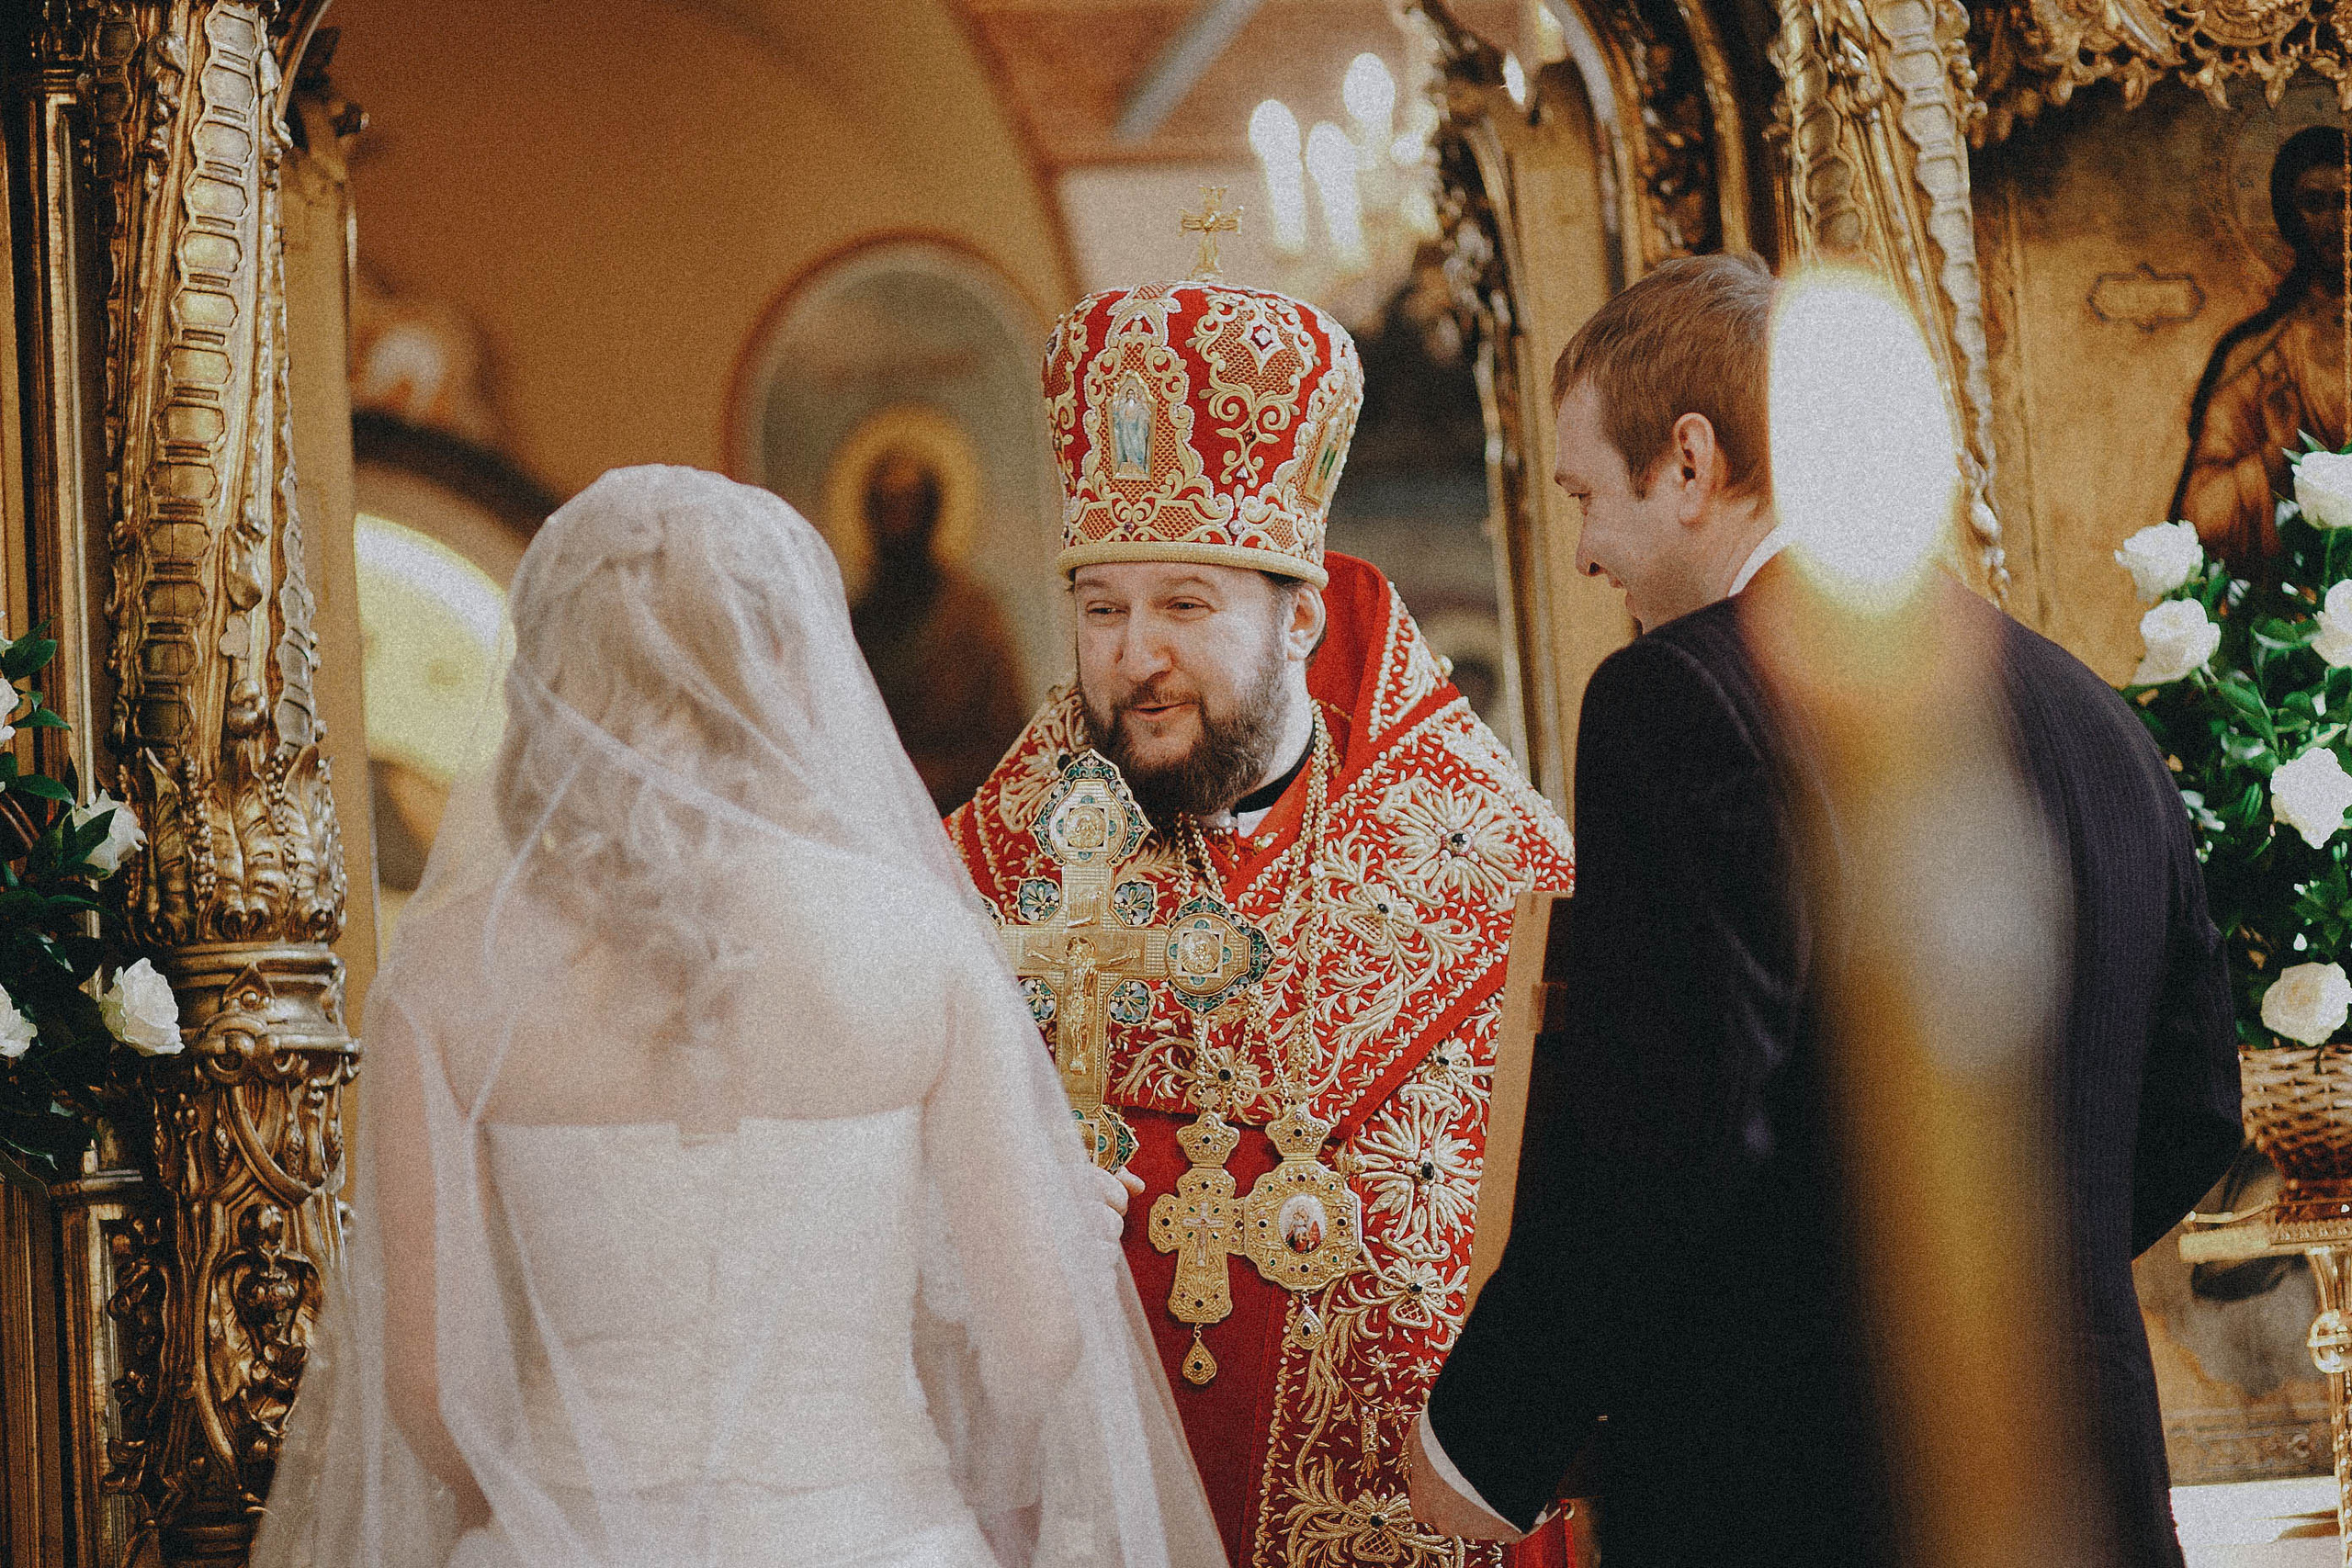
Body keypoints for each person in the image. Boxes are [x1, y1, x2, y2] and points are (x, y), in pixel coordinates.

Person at [1408, 254, 2244, 1566]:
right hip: (2096, 1497)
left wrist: (1487, 1430)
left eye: (1585, 494)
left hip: (1806, 1500)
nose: (1582, 550)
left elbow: (1667, 1122)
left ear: (1689, 461)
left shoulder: (1679, 699)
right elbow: (2196, 1100)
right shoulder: (2094, 716)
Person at [251, 467, 1226, 1568]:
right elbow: (1036, 1349)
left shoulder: (447, 970)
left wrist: (576, 1513)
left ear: (553, 674)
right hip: (873, 1538)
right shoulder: (916, 941)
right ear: (788, 663)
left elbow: (434, 1391)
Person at [945, 271, 1576, 1568]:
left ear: (1303, 614)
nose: (1133, 658)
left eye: (1185, 603)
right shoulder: (981, 873)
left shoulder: (1495, 878)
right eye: (1102, 608)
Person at [2174, 125, 2350, 572]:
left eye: (2347, 199)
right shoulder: (2258, 357)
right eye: (2315, 203)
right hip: (2294, 607)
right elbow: (2200, 518)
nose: (2336, 220)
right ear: (2291, 216)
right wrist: (2275, 454)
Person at [849, 446, 1031, 812]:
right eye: (887, 506)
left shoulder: (974, 618)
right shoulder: (852, 624)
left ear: (931, 512)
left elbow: (1008, 742)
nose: (898, 519)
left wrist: (924, 778)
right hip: (875, 819)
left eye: (909, 504)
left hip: (959, 814)